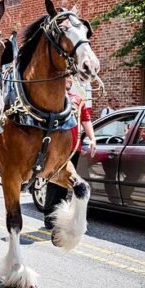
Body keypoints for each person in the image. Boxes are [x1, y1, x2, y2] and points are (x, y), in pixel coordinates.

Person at [43, 76, 96, 229]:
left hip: (74, 148)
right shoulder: (53, 97)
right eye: (66, 77)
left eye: (71, 77)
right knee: (55, 183)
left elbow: (86, 120)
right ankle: (50, 218)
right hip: (56, 148)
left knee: (68, 183)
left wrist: (92, 139)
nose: (69, 80)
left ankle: (60, 217)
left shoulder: (78, 99)